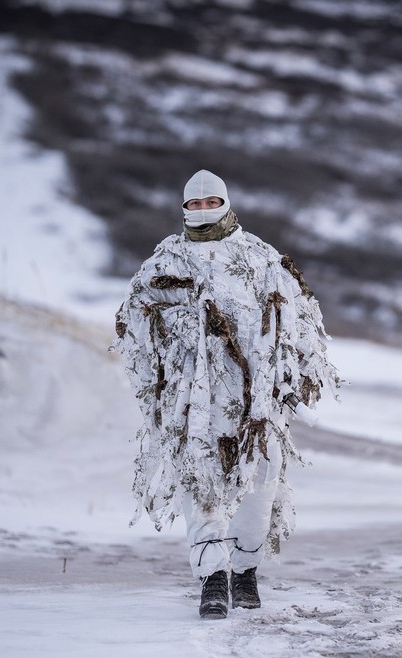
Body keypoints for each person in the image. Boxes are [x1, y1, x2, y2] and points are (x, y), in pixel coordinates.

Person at [113, 169, 340, 619]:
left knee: (260, 481)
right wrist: (168, 362)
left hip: (256, 401)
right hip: (191, 402)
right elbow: (134, 323)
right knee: (200, 484)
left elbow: (298, 316)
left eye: (209, 201)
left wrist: (293, 376)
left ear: (226, 201)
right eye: (193, 204)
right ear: (183, 208)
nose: (201, 210)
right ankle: (213, 579)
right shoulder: (165, 260)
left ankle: (245, 572)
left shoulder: (259, 256)